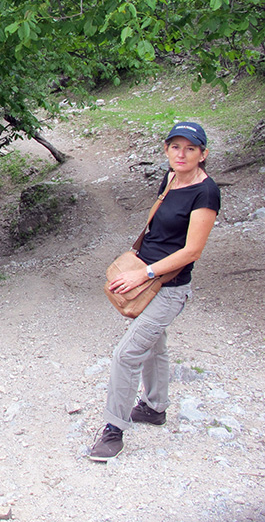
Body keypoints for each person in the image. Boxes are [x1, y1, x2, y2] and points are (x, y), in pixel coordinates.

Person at [88, 121, 221, 462]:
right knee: (154, 344)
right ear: (166, 150)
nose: (181, 154)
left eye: (190, 148)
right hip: (145, 278)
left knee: (127, 354)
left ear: (203, 154)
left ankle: (113, 430)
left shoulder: (206, 193)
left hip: (169, 287)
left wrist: (144, 274)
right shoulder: (171, 178)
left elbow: (192, 251)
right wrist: (137, 267)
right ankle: (155, 407)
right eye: (175, 147)